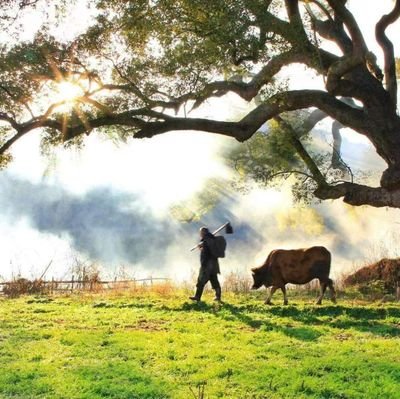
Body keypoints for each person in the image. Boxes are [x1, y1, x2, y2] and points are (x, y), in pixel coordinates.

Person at [189, 227, 222, 302]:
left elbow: (207, 252)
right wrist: (201, 246)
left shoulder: (207, 241)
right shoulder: (211, 240)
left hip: (207, 265)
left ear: (203, 233)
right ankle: (218, 297)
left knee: (201, 280)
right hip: (213, 265)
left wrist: (202, 247)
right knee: (214, 281)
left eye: (201, 232)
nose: (200, 234)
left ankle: (197, 297)